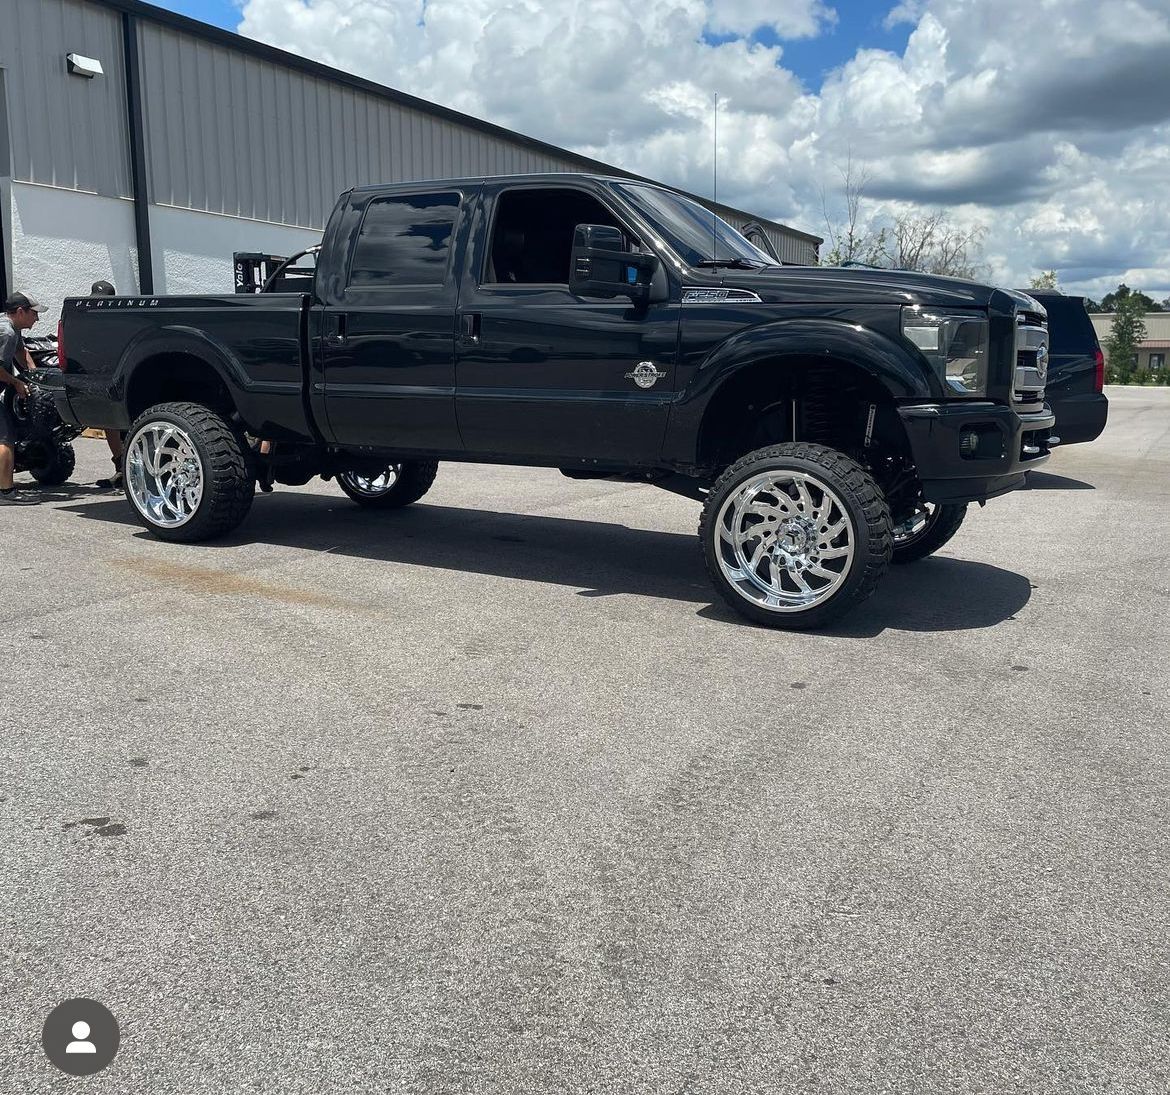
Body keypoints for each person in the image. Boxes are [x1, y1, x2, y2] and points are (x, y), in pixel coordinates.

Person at [0, 291, 42, 505]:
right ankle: (6, 492)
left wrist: (35, 377)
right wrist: (16, 382)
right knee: (5, 438)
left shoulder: (11, 328)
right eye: (34, 313)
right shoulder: (7, 332)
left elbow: (21, 352)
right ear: (20, 311)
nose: (37, 318)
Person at [89, 280, 125, 489]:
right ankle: (121, 469)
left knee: (124, 425)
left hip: (122, 378)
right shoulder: (89, 320)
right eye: (96, 301)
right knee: (110, 424)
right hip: (103, 380)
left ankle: (131, 471)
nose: (98, 305)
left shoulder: (120, 321)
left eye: (102, 301)